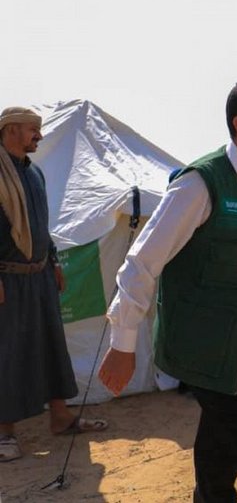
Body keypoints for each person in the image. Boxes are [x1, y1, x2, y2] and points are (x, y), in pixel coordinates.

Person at [98, 80, 237, 502]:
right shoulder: (200, 183)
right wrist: (123, 343)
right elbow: (142, 262)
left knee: (223, 434)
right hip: (206, 347)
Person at [0, 107, 108, 463]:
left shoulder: (34, 173)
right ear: (10, 130)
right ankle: (4, 433)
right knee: (8, 353)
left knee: (51, 344)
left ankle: (60, 417)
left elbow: (42, 224)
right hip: (8, 278)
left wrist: (54, 261)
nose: (40, 136)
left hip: (40, 273)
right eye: (33, 129)